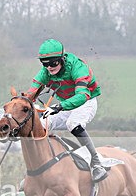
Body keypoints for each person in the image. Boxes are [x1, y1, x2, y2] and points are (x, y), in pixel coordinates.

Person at [23, 39, 107, 182]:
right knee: (39, 126)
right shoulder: (45, 72)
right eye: (45, 63)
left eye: (53, 63)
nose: (49, 67)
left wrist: (60, 106)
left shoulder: (78, 67)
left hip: (86, 102)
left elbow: (83, 95)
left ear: (62, 58)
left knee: (72, 124)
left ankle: (96, 163)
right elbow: (30, 94)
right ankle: (38, 170)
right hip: (64, 104)